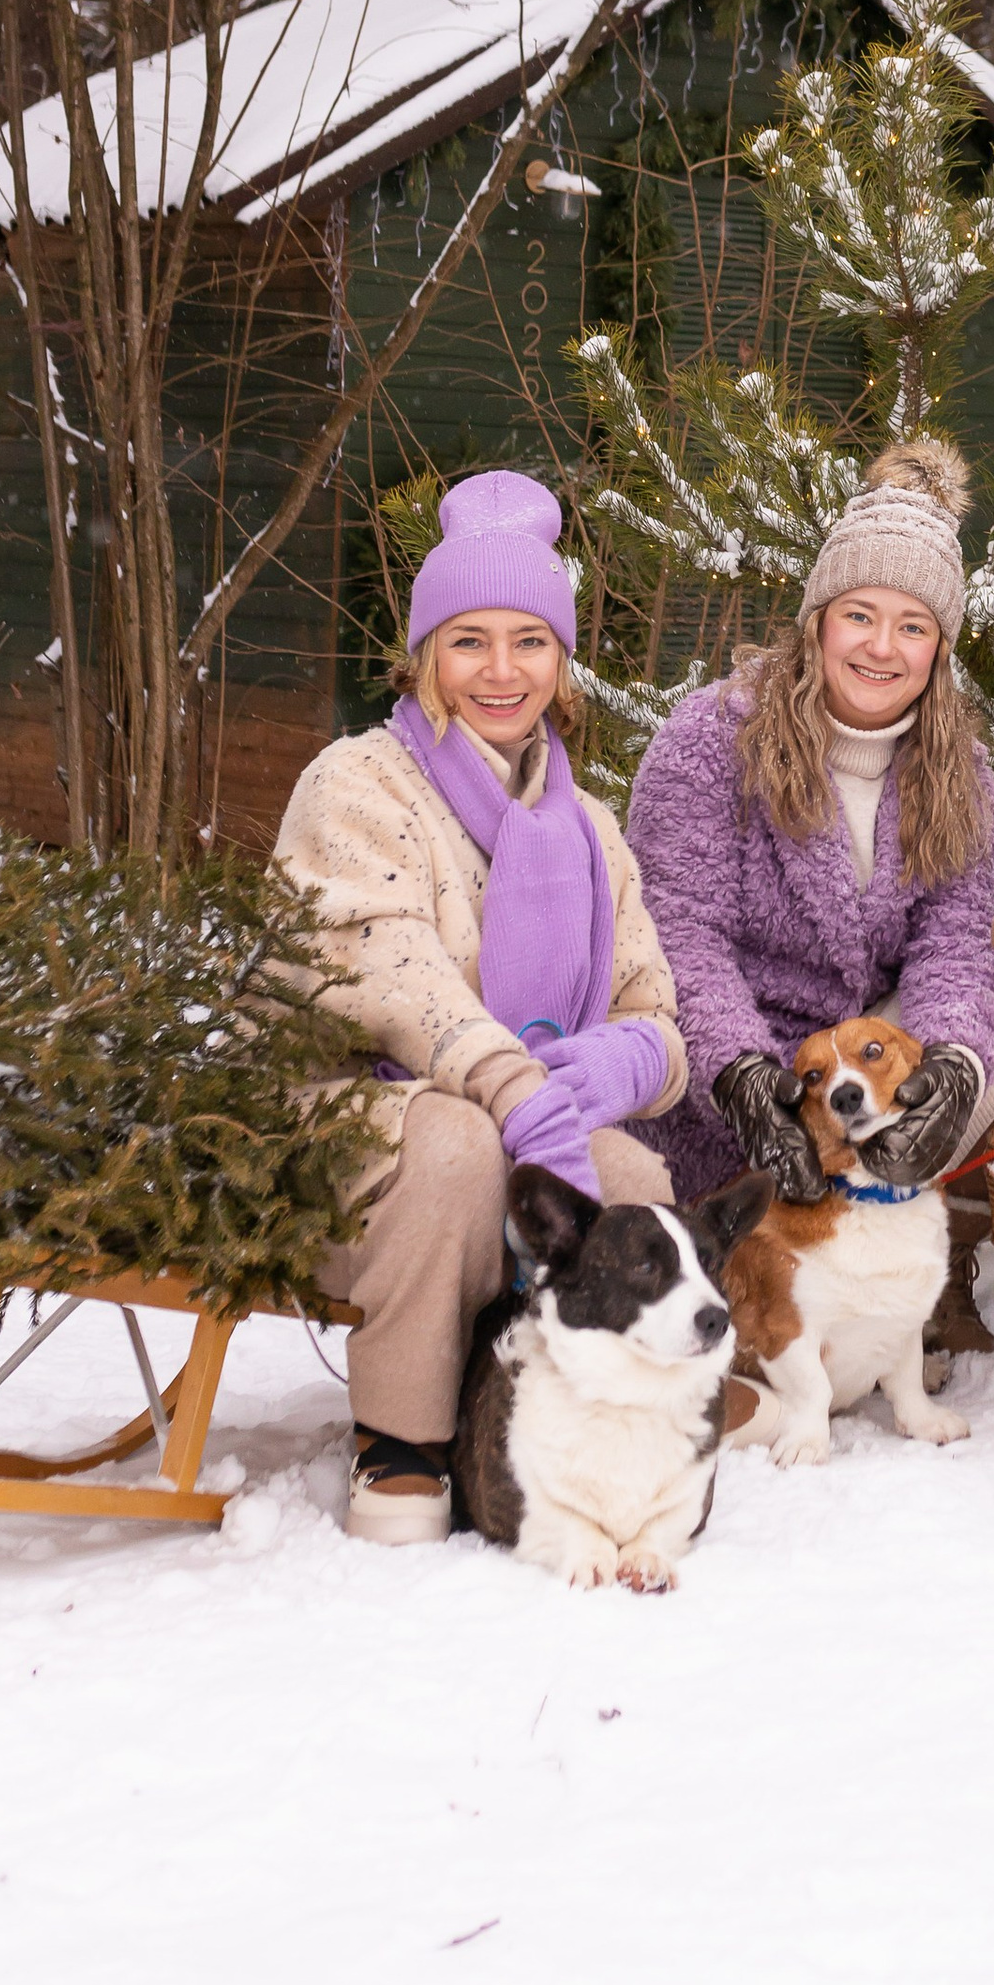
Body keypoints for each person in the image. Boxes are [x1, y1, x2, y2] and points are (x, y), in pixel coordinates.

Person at [277, 471, 688, 1547]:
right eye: (468, 641)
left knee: (636, 1179)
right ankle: (402, 1440)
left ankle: (581, 1410)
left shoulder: (588, 827)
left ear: (561, 660)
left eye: (530, 642)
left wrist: (622, 1065)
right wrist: (513, 1082)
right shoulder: (358, 785)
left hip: (507, 1117)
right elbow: (381, 963)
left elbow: (655, 1008)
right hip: (332, 1130)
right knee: (461, 1139)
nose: (501, 672)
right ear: (423, 656)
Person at [625, 435, 994, 1354]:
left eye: (912, 625)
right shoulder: (713, 737)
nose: (881, 647)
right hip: (742, 1064)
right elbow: (681, 937)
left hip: (861, 1055)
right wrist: (748, 1081)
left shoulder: (959, 771)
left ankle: (933, 1261)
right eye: (859, 616)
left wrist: (949, 1068)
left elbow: (955, 944)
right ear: (818, 620)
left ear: (939, 647)